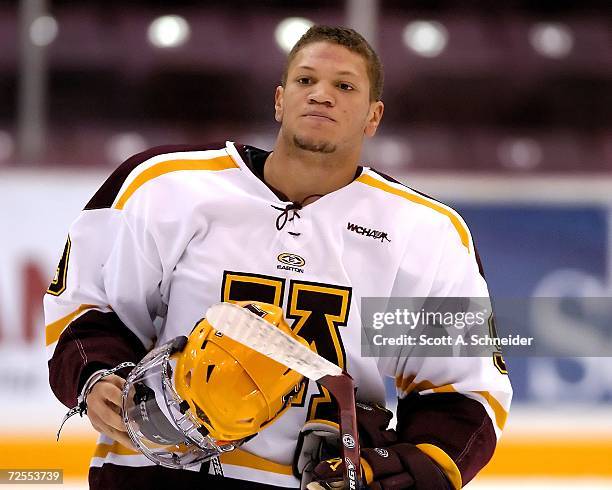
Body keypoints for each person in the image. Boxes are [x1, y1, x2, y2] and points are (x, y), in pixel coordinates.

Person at [45, 25, 512, 489]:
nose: (321, 95)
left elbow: (460, 391)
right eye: (305, 81)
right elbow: (89, 305)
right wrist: (98, 376)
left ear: (373, 117)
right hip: (155, 474)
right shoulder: (170, 189)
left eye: (344, 86)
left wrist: (391, 471)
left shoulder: (420, 234)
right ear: (279, 100)